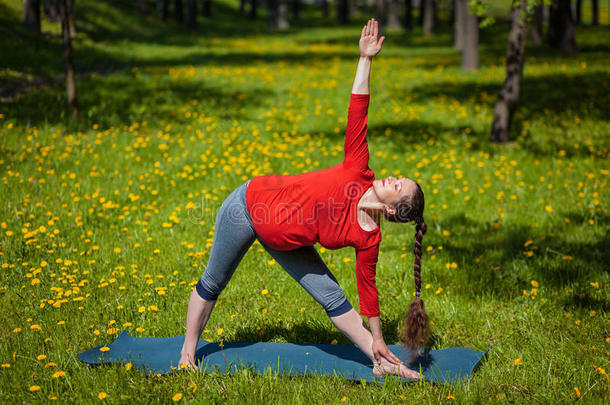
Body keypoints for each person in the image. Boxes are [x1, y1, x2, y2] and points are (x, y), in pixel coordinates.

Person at [179, 18, 429, 379]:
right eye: (399, 177)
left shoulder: (368, 237)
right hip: (248, 207)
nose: (393, 177)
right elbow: (358, 108)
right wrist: (366, 59)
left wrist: (379, 340)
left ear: (392, 209)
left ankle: (381, 362)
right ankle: (187, 353)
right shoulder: (359, 170)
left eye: (398, 185)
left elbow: (367, 292)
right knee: (214, 282)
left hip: (289, 243)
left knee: (333, 299)